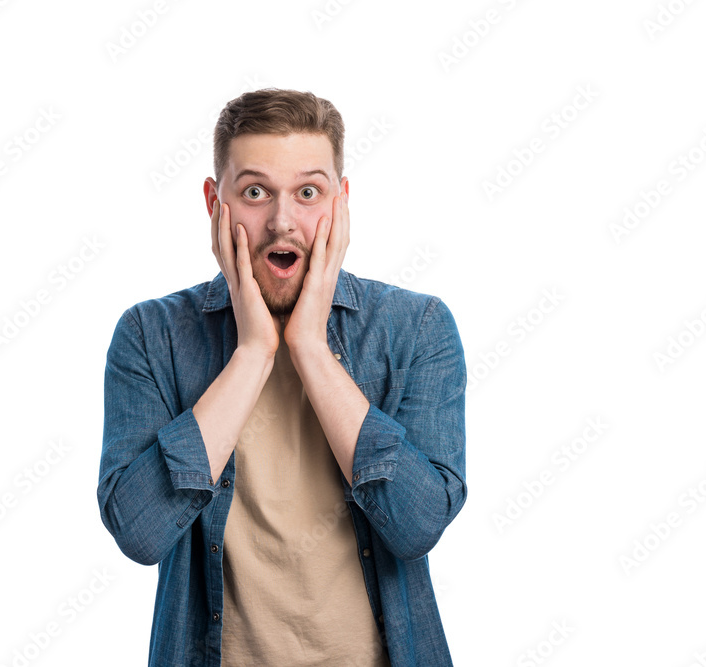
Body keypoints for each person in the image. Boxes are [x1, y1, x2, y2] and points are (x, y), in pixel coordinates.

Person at [97, 88, 467, 666]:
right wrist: (251, 354)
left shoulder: (417, 328)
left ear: (341, 204)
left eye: (308, 192)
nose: (282, 220)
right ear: (214, 203)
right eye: (254, 192)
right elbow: (139, 533)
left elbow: (416, 525)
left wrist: (311, 349)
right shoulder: (151, 335)